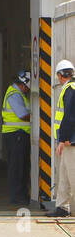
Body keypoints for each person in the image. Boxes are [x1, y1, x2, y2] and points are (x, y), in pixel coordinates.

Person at [0, 69, 31, 207]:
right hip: (15, 134)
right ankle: (17, 197)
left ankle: (22, 195)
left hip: (19, 134)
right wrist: (37, 116)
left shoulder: (18, 94)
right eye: (27, 88)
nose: (27, 91)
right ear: (23, 84)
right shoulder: (14, 95)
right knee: (17, 167)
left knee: (22, 166)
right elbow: (23, 115)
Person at [51, 59, 75, 217]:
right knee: (64, 175)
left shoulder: (70, 90)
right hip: (69, 141)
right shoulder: (70, 88)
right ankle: (61, 207)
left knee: (72, 175)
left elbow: (69, 117)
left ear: (60, 76)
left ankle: (63, 207)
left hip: (70, 142)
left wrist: (63, 139)